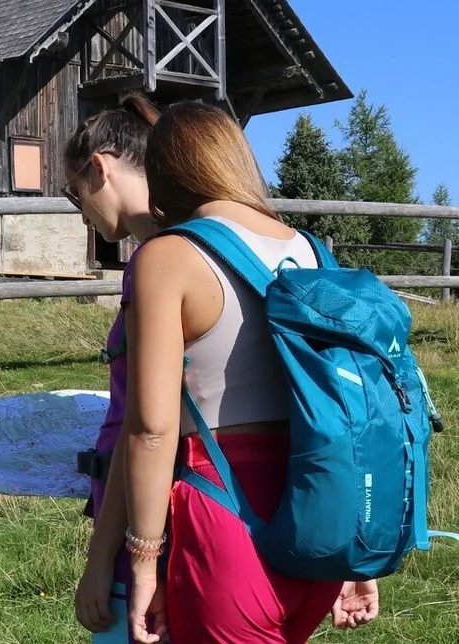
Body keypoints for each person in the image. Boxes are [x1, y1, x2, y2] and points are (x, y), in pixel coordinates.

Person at [120, 102, 379, 644]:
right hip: (321, 509)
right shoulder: (312, 252)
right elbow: (348, 407)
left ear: (163, 176)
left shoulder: (167, 257)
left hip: (226, 511)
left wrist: (144, 562)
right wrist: (357, 562)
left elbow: (151, 429)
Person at [61, 94, 162, 643]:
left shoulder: (155, 265)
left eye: (77, 194)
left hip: (145, 532)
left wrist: (104, 559)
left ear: (99, 167)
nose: (83, 214)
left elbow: (143, 426)